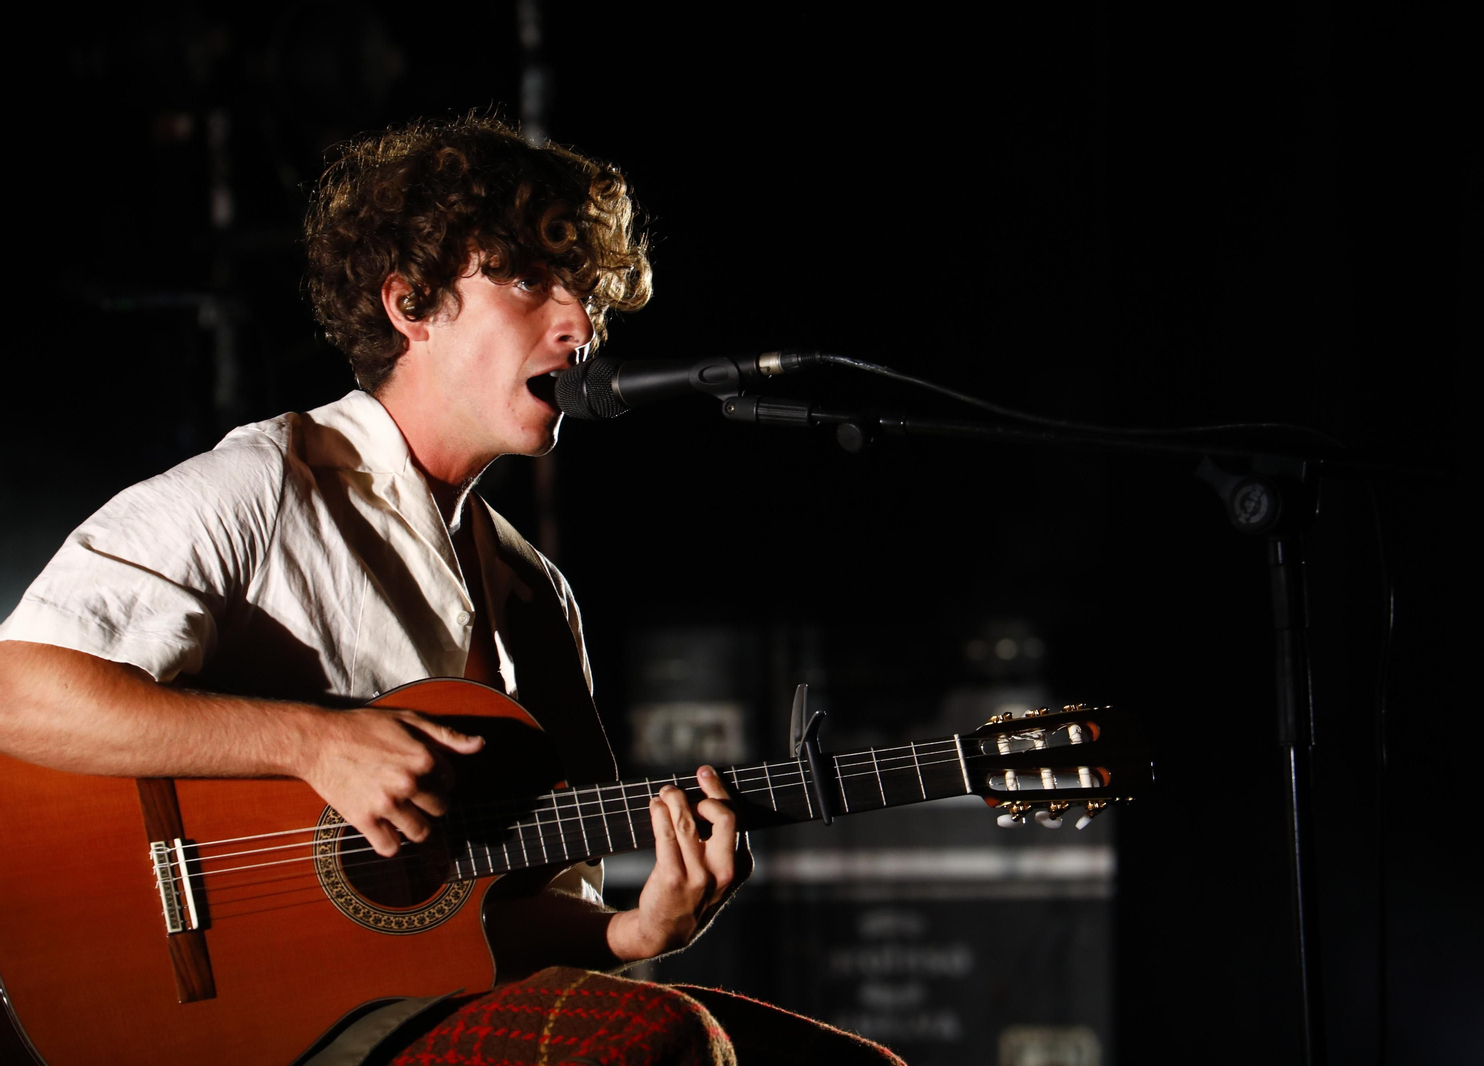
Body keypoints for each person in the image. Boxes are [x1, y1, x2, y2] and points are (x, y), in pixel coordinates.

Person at [0, 115, 901, 1066]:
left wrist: (633, 936)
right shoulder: (267, 489)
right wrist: (312, 743)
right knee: (658, 1040)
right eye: (528, 282)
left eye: (586, 295)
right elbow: (17, 691)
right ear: (410, 304)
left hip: (403, 1008)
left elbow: (491, 922)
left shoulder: (533, 596)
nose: (581, 327)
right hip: (232, 1023)